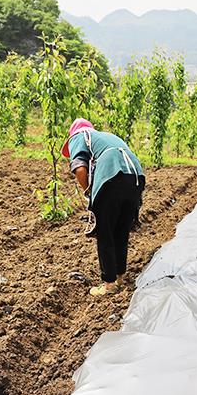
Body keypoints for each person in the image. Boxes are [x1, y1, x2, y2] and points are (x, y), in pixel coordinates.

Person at [62, 118, 146, 296]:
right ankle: (120, 275)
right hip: (136, 177)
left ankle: (109, 284)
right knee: (121, 230)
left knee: (105, 231)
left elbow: (79, 168)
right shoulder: (107, 137)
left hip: (111, 176)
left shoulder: (80, 135)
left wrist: (88, 192)